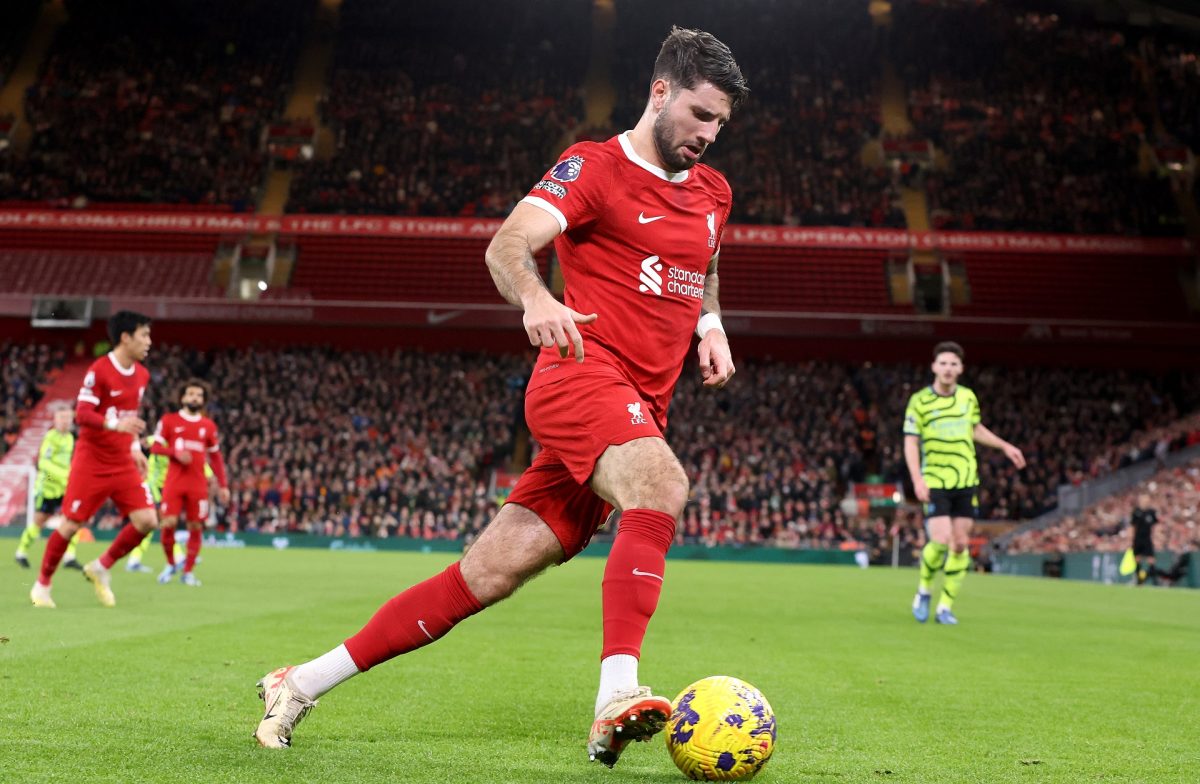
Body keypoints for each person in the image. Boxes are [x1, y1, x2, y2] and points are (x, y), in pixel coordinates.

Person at [253, 27, 748, 768]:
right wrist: (537, 298)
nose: (708, 134)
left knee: (485, 575)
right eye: (700, 114)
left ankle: (299, 683)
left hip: (640, 407)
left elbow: (705, 263)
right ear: (660, 92)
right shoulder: (595, 166)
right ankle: (616, 695)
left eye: (720, 123)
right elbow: (508, 244)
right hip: (579, 375)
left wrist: (711, 325)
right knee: (662, 484)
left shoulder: (714, 192)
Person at [29, 311, 158, 609]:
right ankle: (42, 585)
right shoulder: (99, 370)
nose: (149, 342)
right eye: (144, 335)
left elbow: (128, 415)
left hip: (122, 460)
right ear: (125, 337)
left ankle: (101, 567)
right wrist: (115, 426)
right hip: (93, 460)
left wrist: (134, 448)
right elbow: (83, 414)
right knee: (71, 524)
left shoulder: (142, 374)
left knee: (147, 520)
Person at [905, 341, 1026, 625]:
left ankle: (945, 607)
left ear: (960, 369)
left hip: (965, 478)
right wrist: (917, 479)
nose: (948, 368)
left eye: (953, 364)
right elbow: (910, 442)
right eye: (943, 363)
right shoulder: (920, 401)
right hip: (935, 478)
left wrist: (1005, 446)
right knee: (940, 540)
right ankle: (924, 590)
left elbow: (975, 429)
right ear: (934, 367)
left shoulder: (967, 398)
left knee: (960, 544)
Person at [150, 378, 229, 586]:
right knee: (168, 523)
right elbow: (155, 447)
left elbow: (216, 457)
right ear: (182, 397)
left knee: (195, 526)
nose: (195, 398)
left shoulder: (208, 426)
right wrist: (174, 453)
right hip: (174, 482)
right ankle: (171, 563)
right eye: (191, 394)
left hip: (197, 484)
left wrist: (223, 485)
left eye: (199, 395)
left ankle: (188, 572)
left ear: (204, 400)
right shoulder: (169, 420)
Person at [14, 406, 84, 570]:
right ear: (55, 420)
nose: (65, 421)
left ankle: (69, 557)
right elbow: (44, 464)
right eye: (62, 418)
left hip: (64, 487)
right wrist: (64, 475)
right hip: (48, 485)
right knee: (40, 520)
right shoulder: (50, 437)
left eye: (67, 418)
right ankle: (21, 552)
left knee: (73, 519)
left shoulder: (70, 438)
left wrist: (71, 475)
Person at [1129, 494, 1159, 586]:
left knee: (1151, 559)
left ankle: (1155, 581)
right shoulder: (1136, 512)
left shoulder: (1151, 512)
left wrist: (1156, 537)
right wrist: (1131, 539)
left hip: (1147, 539)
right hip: (1138, 539)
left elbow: (1155, 526)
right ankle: (1138, 580)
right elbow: (1133, 526)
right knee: (1137, 559)